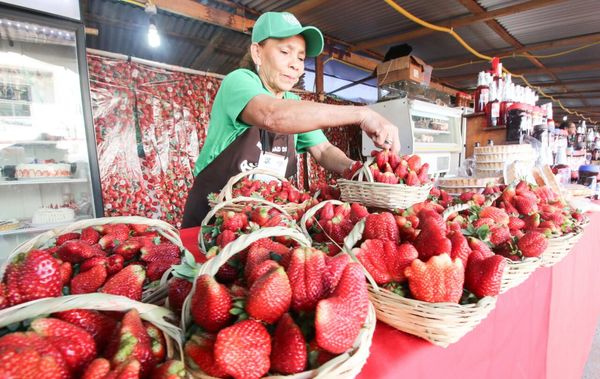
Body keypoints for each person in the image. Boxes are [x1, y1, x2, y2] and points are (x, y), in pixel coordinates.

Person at [181, 11, 400, 227]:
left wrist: (360, 171)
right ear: (257, 53)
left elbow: (323, 150)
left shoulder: (293, 101)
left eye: (301, 57)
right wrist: (362, 114)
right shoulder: (239, 81)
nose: (296, 65)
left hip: (263, 220)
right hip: (214, 218)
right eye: (285, 52)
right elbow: (272, 115)